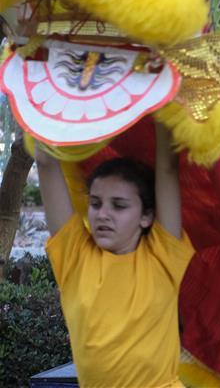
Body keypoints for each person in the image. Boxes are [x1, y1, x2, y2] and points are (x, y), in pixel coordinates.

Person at [35, 121, 194, 387]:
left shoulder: (163, 256)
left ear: (146, 216)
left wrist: (161, 96)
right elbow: (45, 162)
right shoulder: (74, 257)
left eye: (119, 206)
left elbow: (167, 167)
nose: (103, 214)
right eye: (95, 203)